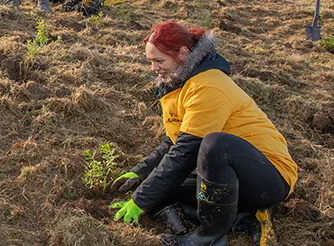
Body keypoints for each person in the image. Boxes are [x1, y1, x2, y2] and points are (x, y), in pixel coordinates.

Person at [109, 22, 298, 246]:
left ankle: (209, 235)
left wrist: (140, 200)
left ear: (182, 53)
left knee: (216, 144)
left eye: (159, 61)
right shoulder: (180, 84)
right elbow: (174, 141)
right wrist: (140, 172)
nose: (153, 68)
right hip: (225, 172)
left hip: (268, 177)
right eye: (150, 61)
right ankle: (244, 218)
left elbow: (187, 151)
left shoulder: (208, 86)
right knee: (164, 189)